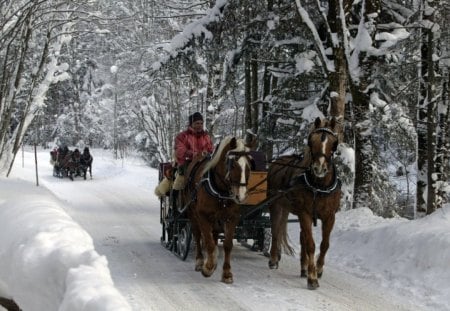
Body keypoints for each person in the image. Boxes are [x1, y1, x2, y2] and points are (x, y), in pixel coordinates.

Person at [172, 112, 214, 190]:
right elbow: (179, 150)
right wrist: (194, 154)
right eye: (197, 123)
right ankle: (175, 199)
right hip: (187, 162)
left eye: (201, 123)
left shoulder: (206, 136)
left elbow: (211, 149)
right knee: (179, 184)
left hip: (204, 162)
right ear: (191, 124)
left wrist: (208, 153)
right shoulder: (183, 136)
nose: (200, 125)